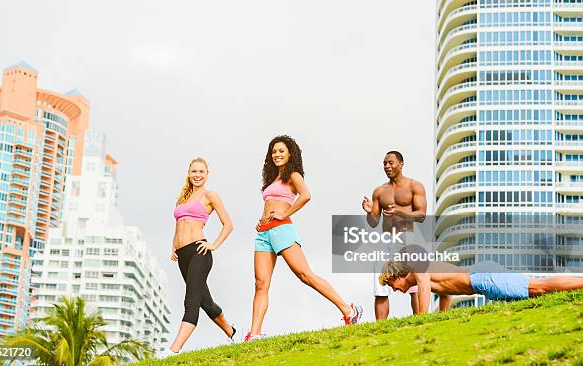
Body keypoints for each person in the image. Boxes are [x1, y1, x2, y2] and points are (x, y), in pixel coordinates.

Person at [245, 135, 363, 342]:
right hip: (264, 233)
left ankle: (348, 309)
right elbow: (271, 203)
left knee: (305, 275)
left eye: (281, 151)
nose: (277, 154)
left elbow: (306, 195)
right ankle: (254, 334)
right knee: (260, 283)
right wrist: (262, 220)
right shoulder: (272, 179)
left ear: (290, 153)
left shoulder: (293, 174)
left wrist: (284, 213)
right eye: (274, 151)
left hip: (282, 229)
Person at [362, 151, 451, 319]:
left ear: (401, 164)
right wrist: (369, 212)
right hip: (386, 239)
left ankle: (419, 320)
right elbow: (374, 222)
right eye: (384, 163)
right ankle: (381, 328)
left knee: (415, 283)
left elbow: (422, 215)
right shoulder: (379, 192)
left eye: (390, 163)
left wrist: (400, 212)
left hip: (409, 236)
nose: (387, 166)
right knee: (380, 285)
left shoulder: (414, 186)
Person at [166, 157, 235, 355]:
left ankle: (173, 350)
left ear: (207, 174)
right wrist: (174, 246)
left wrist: (213, 245)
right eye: (194, 171)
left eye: (201, 172)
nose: (197, 175)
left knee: (191, 302)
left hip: (199, 251)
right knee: (206, 303)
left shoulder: (210, 195)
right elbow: (179, 224)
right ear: (189, 173)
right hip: (183, 255)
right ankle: (232, 332)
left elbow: (228, 224)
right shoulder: (183, 198)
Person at [379, 261, 583, 313]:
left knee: (539, 287)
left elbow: (423, 286)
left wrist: (422, 320)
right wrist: (441, 317)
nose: (393, 289)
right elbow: (446, 294)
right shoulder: (425, 278)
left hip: (484, 278)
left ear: (398, 275)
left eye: (391, 284)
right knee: (536, 294)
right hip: (483, 281)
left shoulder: (418, 269)